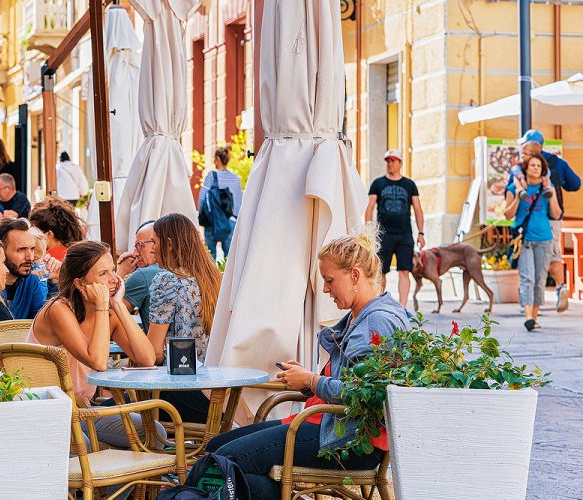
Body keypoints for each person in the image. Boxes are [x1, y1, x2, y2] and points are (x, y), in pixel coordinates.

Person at [205, 229, 402, 498]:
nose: (325, 289)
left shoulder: (378, 321)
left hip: (348, 443)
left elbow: (362, 394)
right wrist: (309, 384)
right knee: (217, 448)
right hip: (328, 426)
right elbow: (352, 382)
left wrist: (312, 381)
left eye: (329, 280)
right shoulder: (363, 316)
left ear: (355, 275)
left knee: (226, 460)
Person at [29, 241, 160, 447]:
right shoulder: (59, 310)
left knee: (154, 432)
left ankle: (127, 479)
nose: (113, 280)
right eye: (103, 274)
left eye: (113, 271)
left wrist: (118, 305)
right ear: (80, 284)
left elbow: (147, 358)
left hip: (82, 410)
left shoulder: (108, 312)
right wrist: (101, 306)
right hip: (48, 410)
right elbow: (98, 361)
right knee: (85, 445)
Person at [145, 214, 222, 422]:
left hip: (179, 393)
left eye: (154, 241)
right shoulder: (214, 278)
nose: (152, 249)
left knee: (102, 415)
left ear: (169, 245)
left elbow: (153, 354)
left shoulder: (168, 280)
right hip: (217, 396)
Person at [517, 130, 581, 312]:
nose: (522, 148)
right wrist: (560, 182)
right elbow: (575, 184)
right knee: (552, 253)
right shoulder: (558, 163)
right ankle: (559, 287)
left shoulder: (525, 165)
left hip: (531, 217)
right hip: (553, 217)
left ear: (536, 146)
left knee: (533, 257)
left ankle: (532, 302)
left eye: (525, 145)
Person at [505, 154, 562, 331]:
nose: (536, 168)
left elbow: (556, 213)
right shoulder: (514, 187)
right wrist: (517, 195)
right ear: (526, 169)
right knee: (527, 278)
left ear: (543, 170)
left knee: (539, 280)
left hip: (544, 239)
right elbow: (507, 214)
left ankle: (534, 317)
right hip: (524, 240)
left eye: (539, 166)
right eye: (532, 165)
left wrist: (551, 194)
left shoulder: (547, 188)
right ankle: (528, 315)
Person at [363, 149, 424, 310]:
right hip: (384, 235)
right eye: (388, 161)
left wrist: (421, 233)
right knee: (380, 272)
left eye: (393, 161)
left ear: (400, 163)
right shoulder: (378, 183)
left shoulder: (409, 185)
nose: (390, 164)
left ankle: (402, 307)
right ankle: (380, 305)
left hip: (405, 234)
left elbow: (418, 209)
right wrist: (369, 232)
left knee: (404, 271)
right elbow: (369, 208)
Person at [0, 218, 59, 320]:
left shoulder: (33, 276)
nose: (30, 257)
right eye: (20, 250)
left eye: (32, 249)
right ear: (1, 251)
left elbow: (43, 321)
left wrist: (55, 282)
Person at [117, 220, 167, 327]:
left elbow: (111, 318)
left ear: (156, 243)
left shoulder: (142, 276)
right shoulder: (189, 269)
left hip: (154, 343)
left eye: (140, 245)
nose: (134, 253)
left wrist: (120, 274)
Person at [197, 145, 244, 259]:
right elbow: (239, 202)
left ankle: (212, 277)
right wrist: (234, 219)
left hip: (212, 221)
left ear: (218, 159)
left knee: (209, 258)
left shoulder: (211, 176)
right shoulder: (235, 178)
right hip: (230, 221)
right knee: (230, 259)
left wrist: (201, 214)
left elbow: (202, 197)